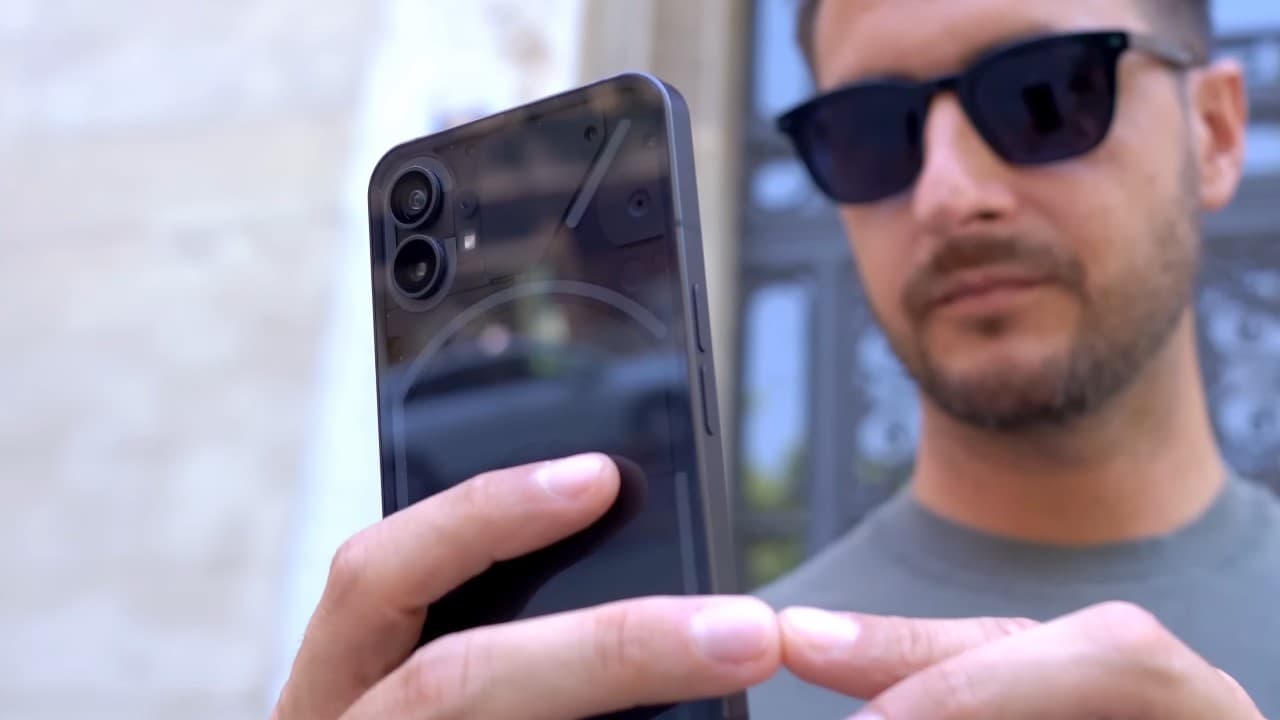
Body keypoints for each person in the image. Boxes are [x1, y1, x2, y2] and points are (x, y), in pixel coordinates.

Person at [270, 0, 1280, 718]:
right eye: (868, 133)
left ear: (1216, 132)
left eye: (1042, 95)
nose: (946, 192)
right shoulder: (699, 678)